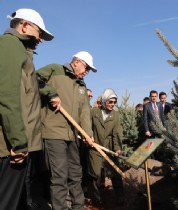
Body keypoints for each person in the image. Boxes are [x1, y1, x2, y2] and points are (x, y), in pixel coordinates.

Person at [0, 8, 53, 210]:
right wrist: (19, 141)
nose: (40, 39)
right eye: (39, 32)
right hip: (11, 148)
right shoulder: (10, 45)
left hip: (16, 145)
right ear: (24, 26)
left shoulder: (20, 51)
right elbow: (6, 95)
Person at [36, 51, 96, 210]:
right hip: (53, 132)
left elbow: (84, 111)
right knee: (59, 176)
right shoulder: (55, 70)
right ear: (76, 62)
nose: (87, 72)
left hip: (72, 134)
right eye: (87, 67)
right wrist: (51, 93)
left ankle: (78, 206)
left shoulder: (82, 85)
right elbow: (32, 78)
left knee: (76, 174)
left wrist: (87, 133)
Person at [88, 88, 125, 206]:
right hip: (95, 148)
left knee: (115, 173)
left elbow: (117, 133)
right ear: (104, 101)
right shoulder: (94, 112)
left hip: (109, 149)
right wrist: (88, 136)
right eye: (110, 102)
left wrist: (118, 148)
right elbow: (87, 125)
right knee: (95, 174)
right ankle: (96, 198)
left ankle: (120, 197)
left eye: (114, 102)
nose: (112, 105)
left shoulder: (115, 115)